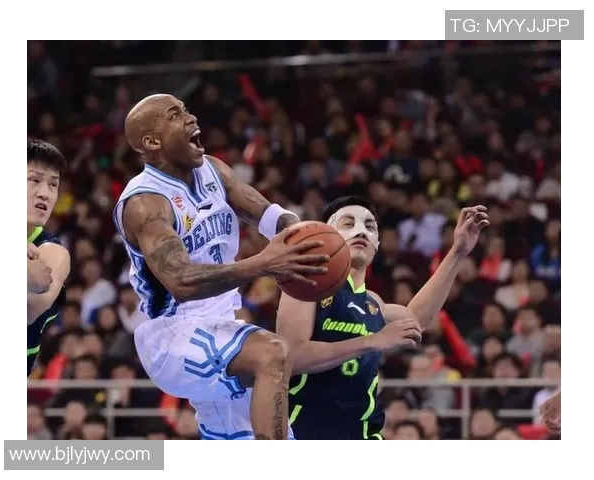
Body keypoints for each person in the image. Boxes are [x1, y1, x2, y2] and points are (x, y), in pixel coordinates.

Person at [113, 94, 329, 440]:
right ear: (152, 142)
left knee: (236, 439)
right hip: (173, 335)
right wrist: (264, 263)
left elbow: (269, 215)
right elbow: (182, 281)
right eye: (174, 115)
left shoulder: (212, 170)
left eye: (186, 109)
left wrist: (303, 236)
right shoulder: (145, 202)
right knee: (272, 353)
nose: (190, 117)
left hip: (221, 325)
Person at [276, 196, 489, 439]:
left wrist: (457, 252)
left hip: (365, 433)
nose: (360, 231)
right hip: (308, 431)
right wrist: (372, 341)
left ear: (376, 243)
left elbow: (415, 320)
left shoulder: (373, 303)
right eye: (348, 223)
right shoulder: (306, 284)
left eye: (369, 226)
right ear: (326, 236)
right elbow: (292, 356)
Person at [27, 138, 71, 376]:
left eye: (53, 185)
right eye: (34, 180)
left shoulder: (53, 252)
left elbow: (27, 311)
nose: (45, 193)